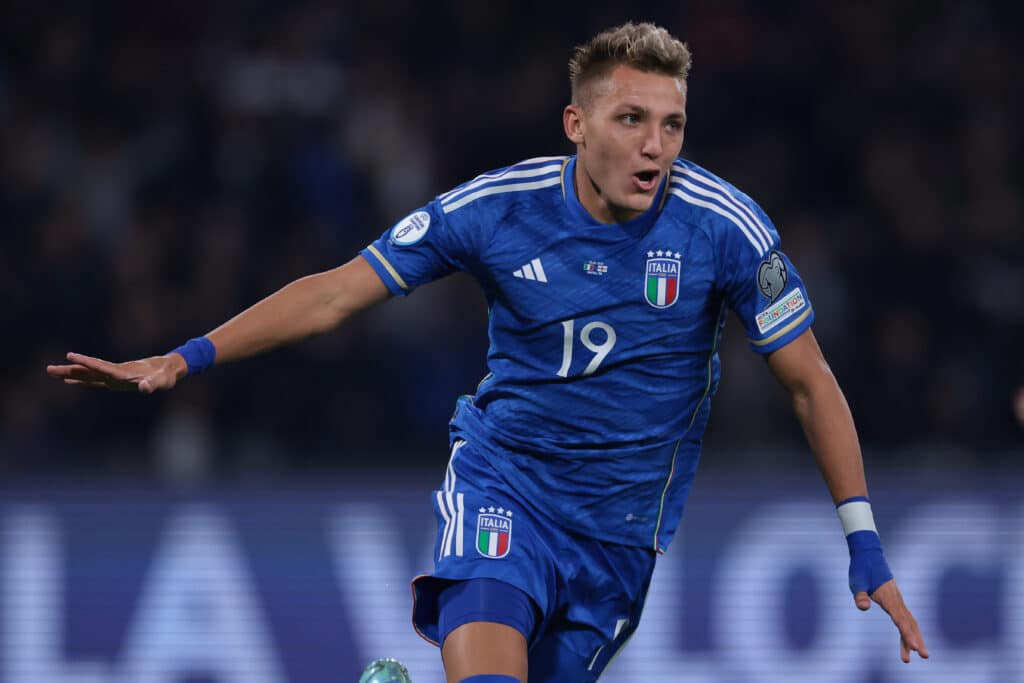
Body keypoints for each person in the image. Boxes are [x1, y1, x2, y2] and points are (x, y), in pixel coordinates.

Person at [48, 21, 928, 683]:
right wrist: (184, 357)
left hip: (620, 540)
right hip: (507, 490)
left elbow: (810, 380)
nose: (656, 147)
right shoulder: (495, 210)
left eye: (673, 124)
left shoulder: (724, 229)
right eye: (632, 119)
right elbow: (332, 293)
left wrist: (865, 540)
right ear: (576, 124)